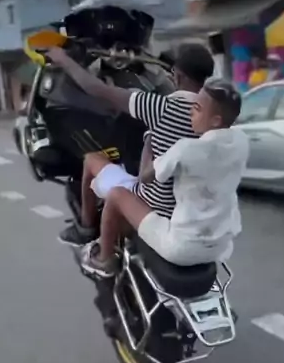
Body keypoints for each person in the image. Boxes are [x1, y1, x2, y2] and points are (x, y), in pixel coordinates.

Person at [47, 42, 215, 246]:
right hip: (194, 208)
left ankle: (86, 229)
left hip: (155, 205)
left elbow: (94, 88)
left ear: (178, 76)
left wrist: (63, 59)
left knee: (91, 160)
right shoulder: (216, 117)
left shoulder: (158, 106)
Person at [80, 78, 249, 278]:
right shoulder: (241, 141)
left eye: (197, 108)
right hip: (220, 245)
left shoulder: (186, 148)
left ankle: (104, 260)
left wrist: (149, 141)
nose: (190, 112)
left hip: (182, 246)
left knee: (117, 194)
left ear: (216, 121)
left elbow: (145, 177)